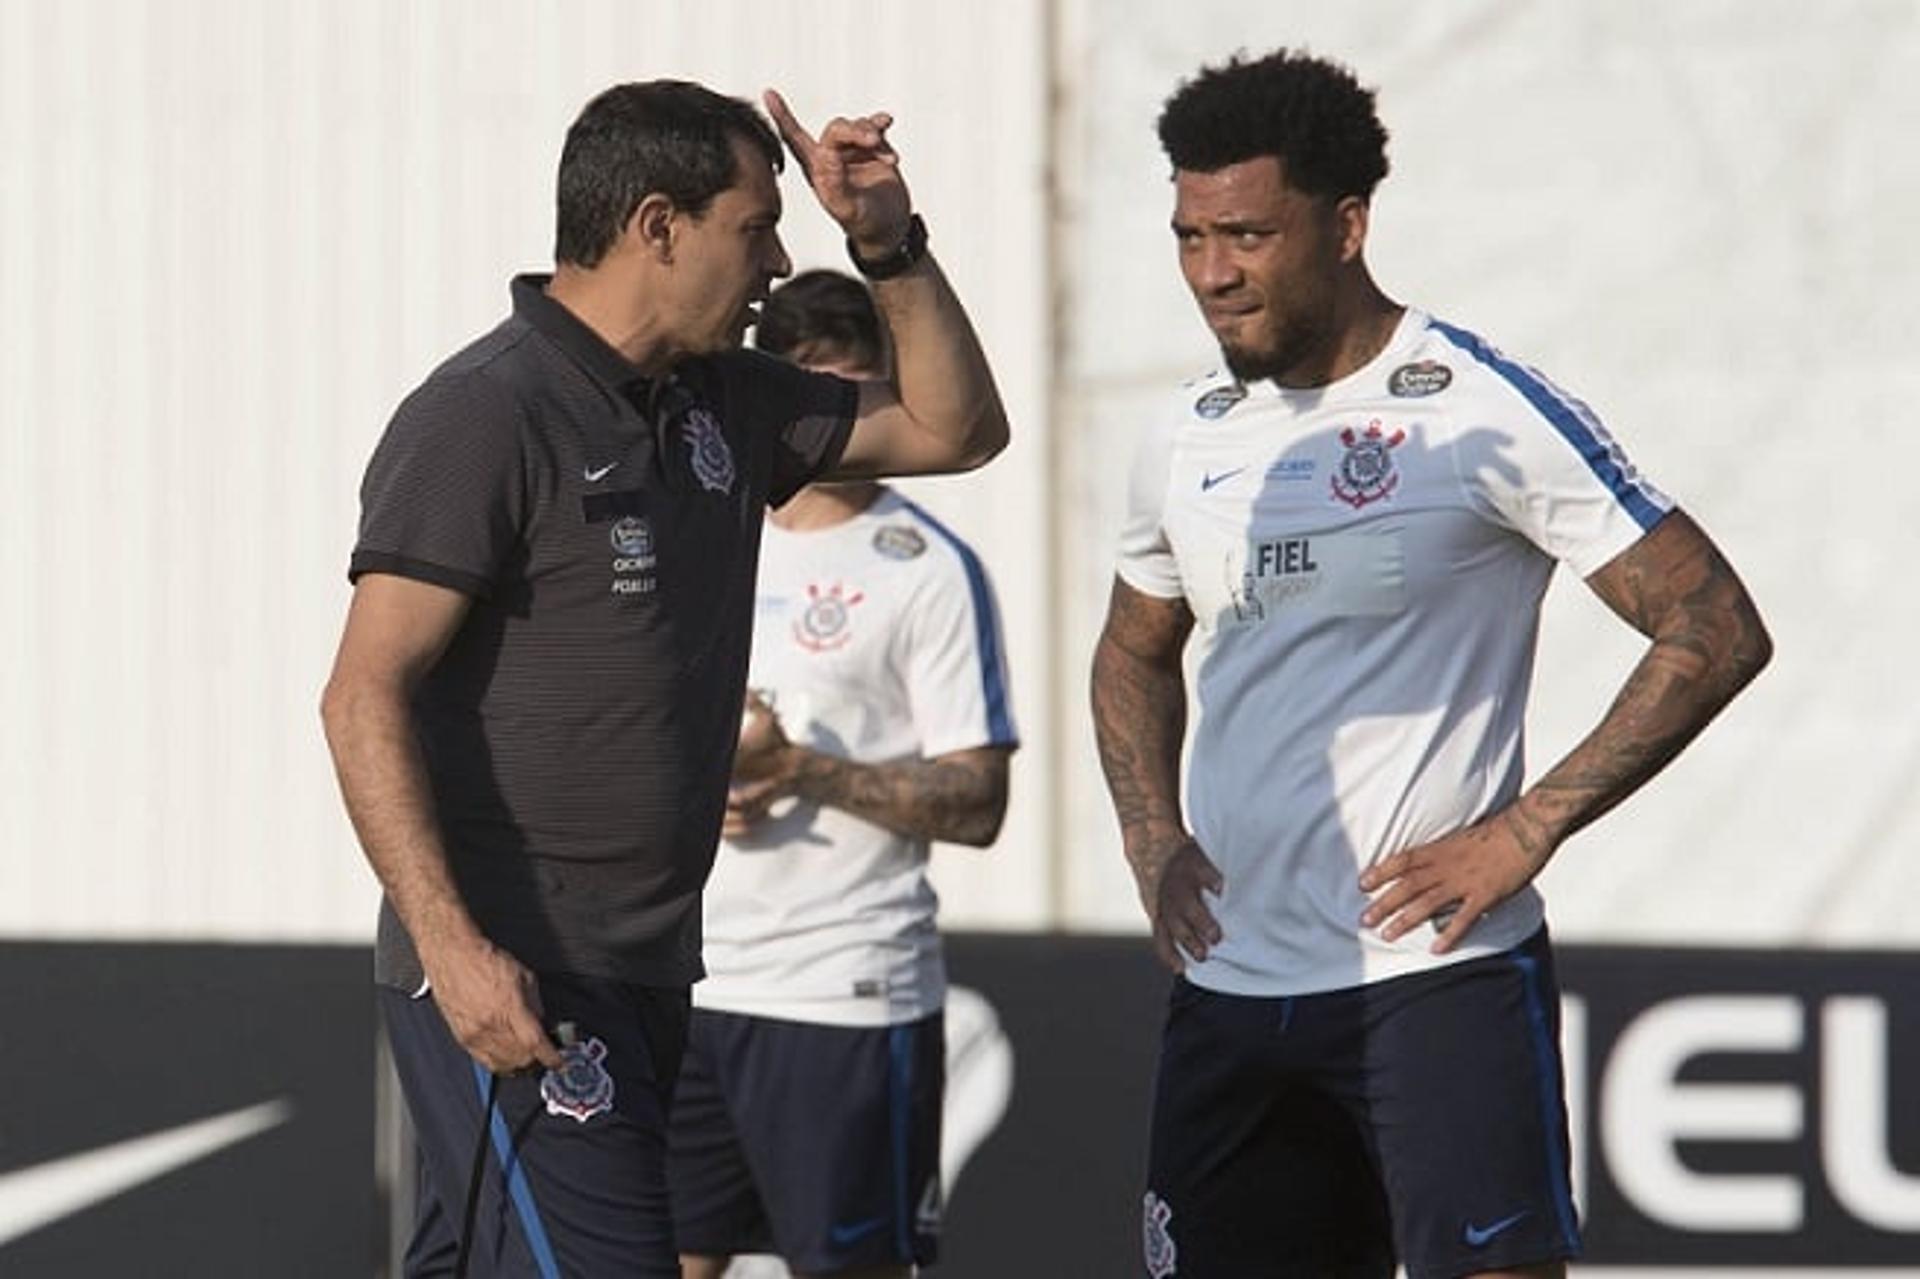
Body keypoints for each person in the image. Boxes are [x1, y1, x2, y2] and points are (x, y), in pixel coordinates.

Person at [1090, 49, 1771, 1279]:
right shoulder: (1187, 432)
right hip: (1233, 987)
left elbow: (1713, 627)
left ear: (1347, 225)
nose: (1211, 274)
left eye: (1246, 234)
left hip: (1433, 982)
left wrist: (1529, 827)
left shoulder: (1477, 408)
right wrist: (1150, 839)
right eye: (1188, 236)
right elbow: (1135, 651)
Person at [320, 79, 1008, 1278]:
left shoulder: (724, 403)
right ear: (656, 225)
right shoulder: (486, 413)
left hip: (650, 964)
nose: (782, 262)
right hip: (521, 969)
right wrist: (454, 947)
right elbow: (360, 695)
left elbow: (956, 430)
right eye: (755, 227)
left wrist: (889, 244)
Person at [668, 269, 1017, 1279]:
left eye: (862, 391)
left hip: (842, 991)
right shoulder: (705, 531)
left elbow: (980, 801)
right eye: (816, 393)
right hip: (687, 980)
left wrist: (799, 769)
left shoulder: (924, 565)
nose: (841, 419)